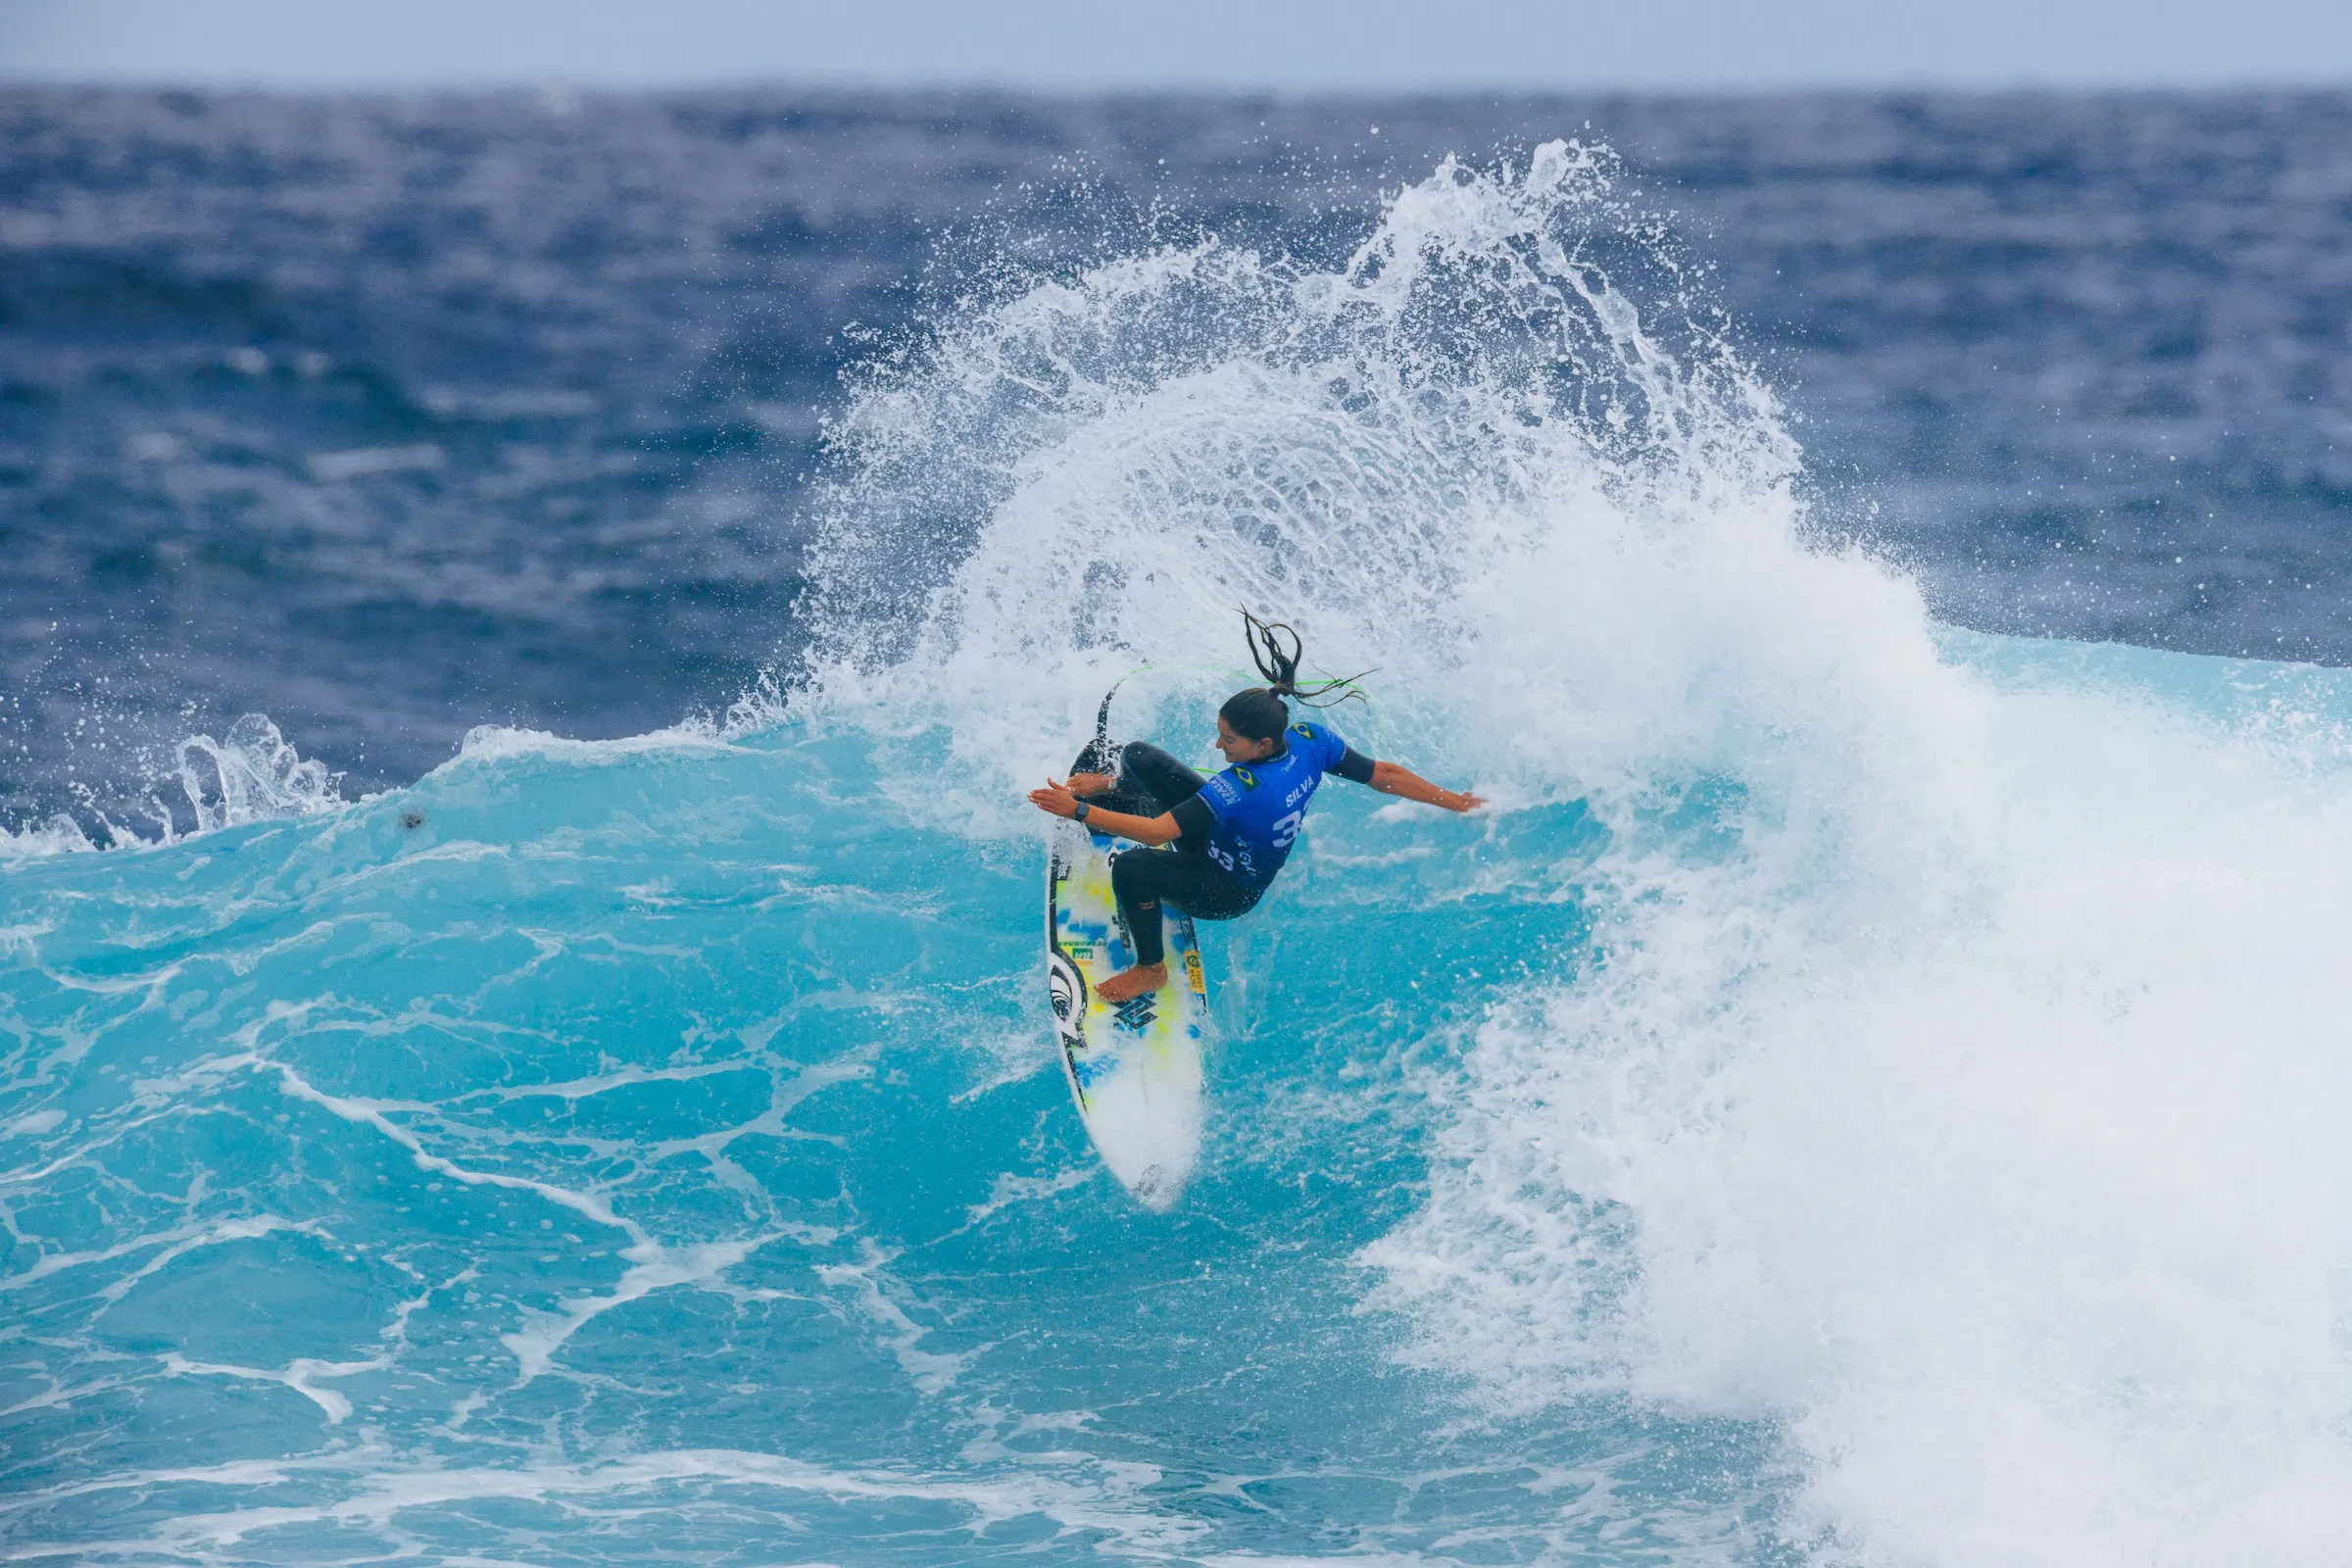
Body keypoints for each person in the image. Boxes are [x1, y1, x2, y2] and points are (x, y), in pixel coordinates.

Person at [1026, 618, 1484, 1004]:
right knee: (1140, 756)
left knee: (1131, 867)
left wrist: (1077, 810)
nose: (1218, 745)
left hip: (1225, 889)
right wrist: (1457, 802)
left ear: (1261, 744)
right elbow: (1384, 773)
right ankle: (1119, 788)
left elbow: (1153, 833)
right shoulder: (1309, 740)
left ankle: (1150, 970)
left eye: (1229, 740)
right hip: (1221, 834)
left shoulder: (1241, 787)